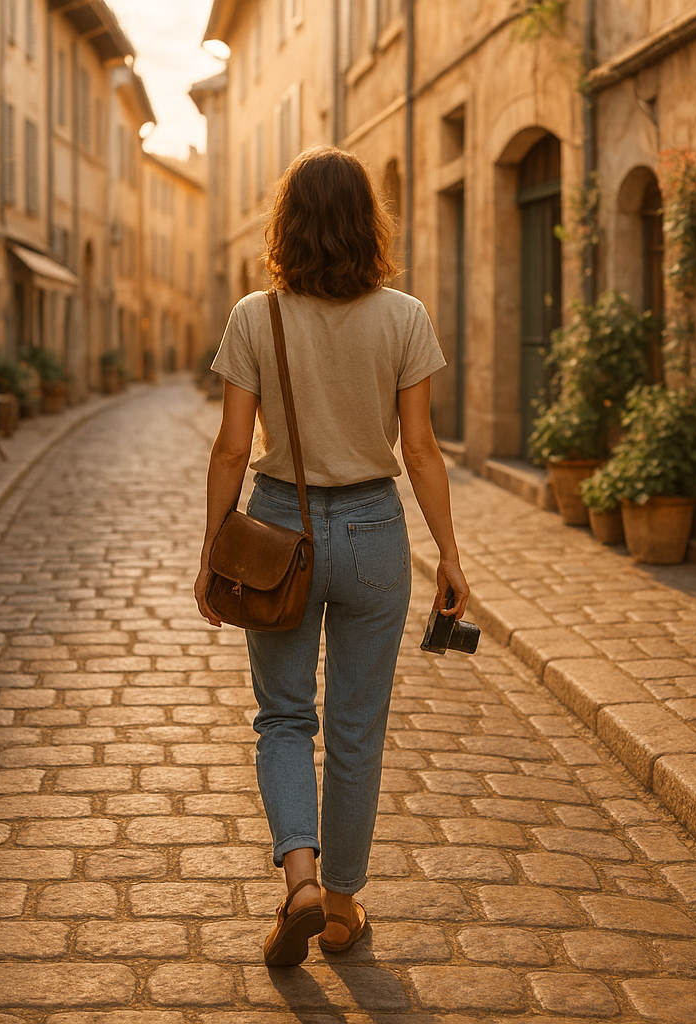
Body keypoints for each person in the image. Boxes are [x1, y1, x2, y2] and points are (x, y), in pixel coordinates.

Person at [194, 145, 469, 967]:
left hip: (280, 533)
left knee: (283, 716)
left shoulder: (255, 315)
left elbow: (230, 448)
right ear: (367, 224)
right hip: (376, 534)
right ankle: (344, 905)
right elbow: (419, 449)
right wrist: (450, 555)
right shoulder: (406, 316)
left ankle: (302, 878)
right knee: (357, 727)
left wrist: (214, 551)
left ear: (286, 224)